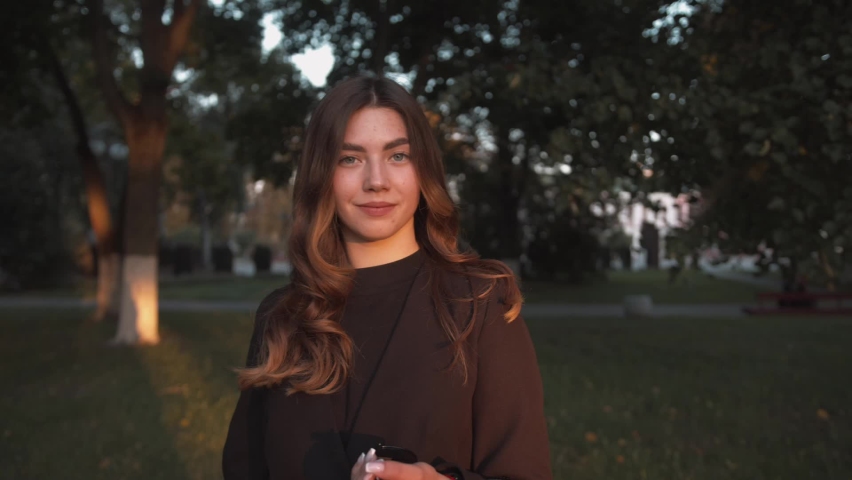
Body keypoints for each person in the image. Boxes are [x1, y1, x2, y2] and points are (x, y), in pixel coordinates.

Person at [222, 75, 552, 480]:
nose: (376, 180)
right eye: (350, 158)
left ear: (423, 170)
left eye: (397, 156)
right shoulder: (282, 316)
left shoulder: (479, 304)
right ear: (321, 175)